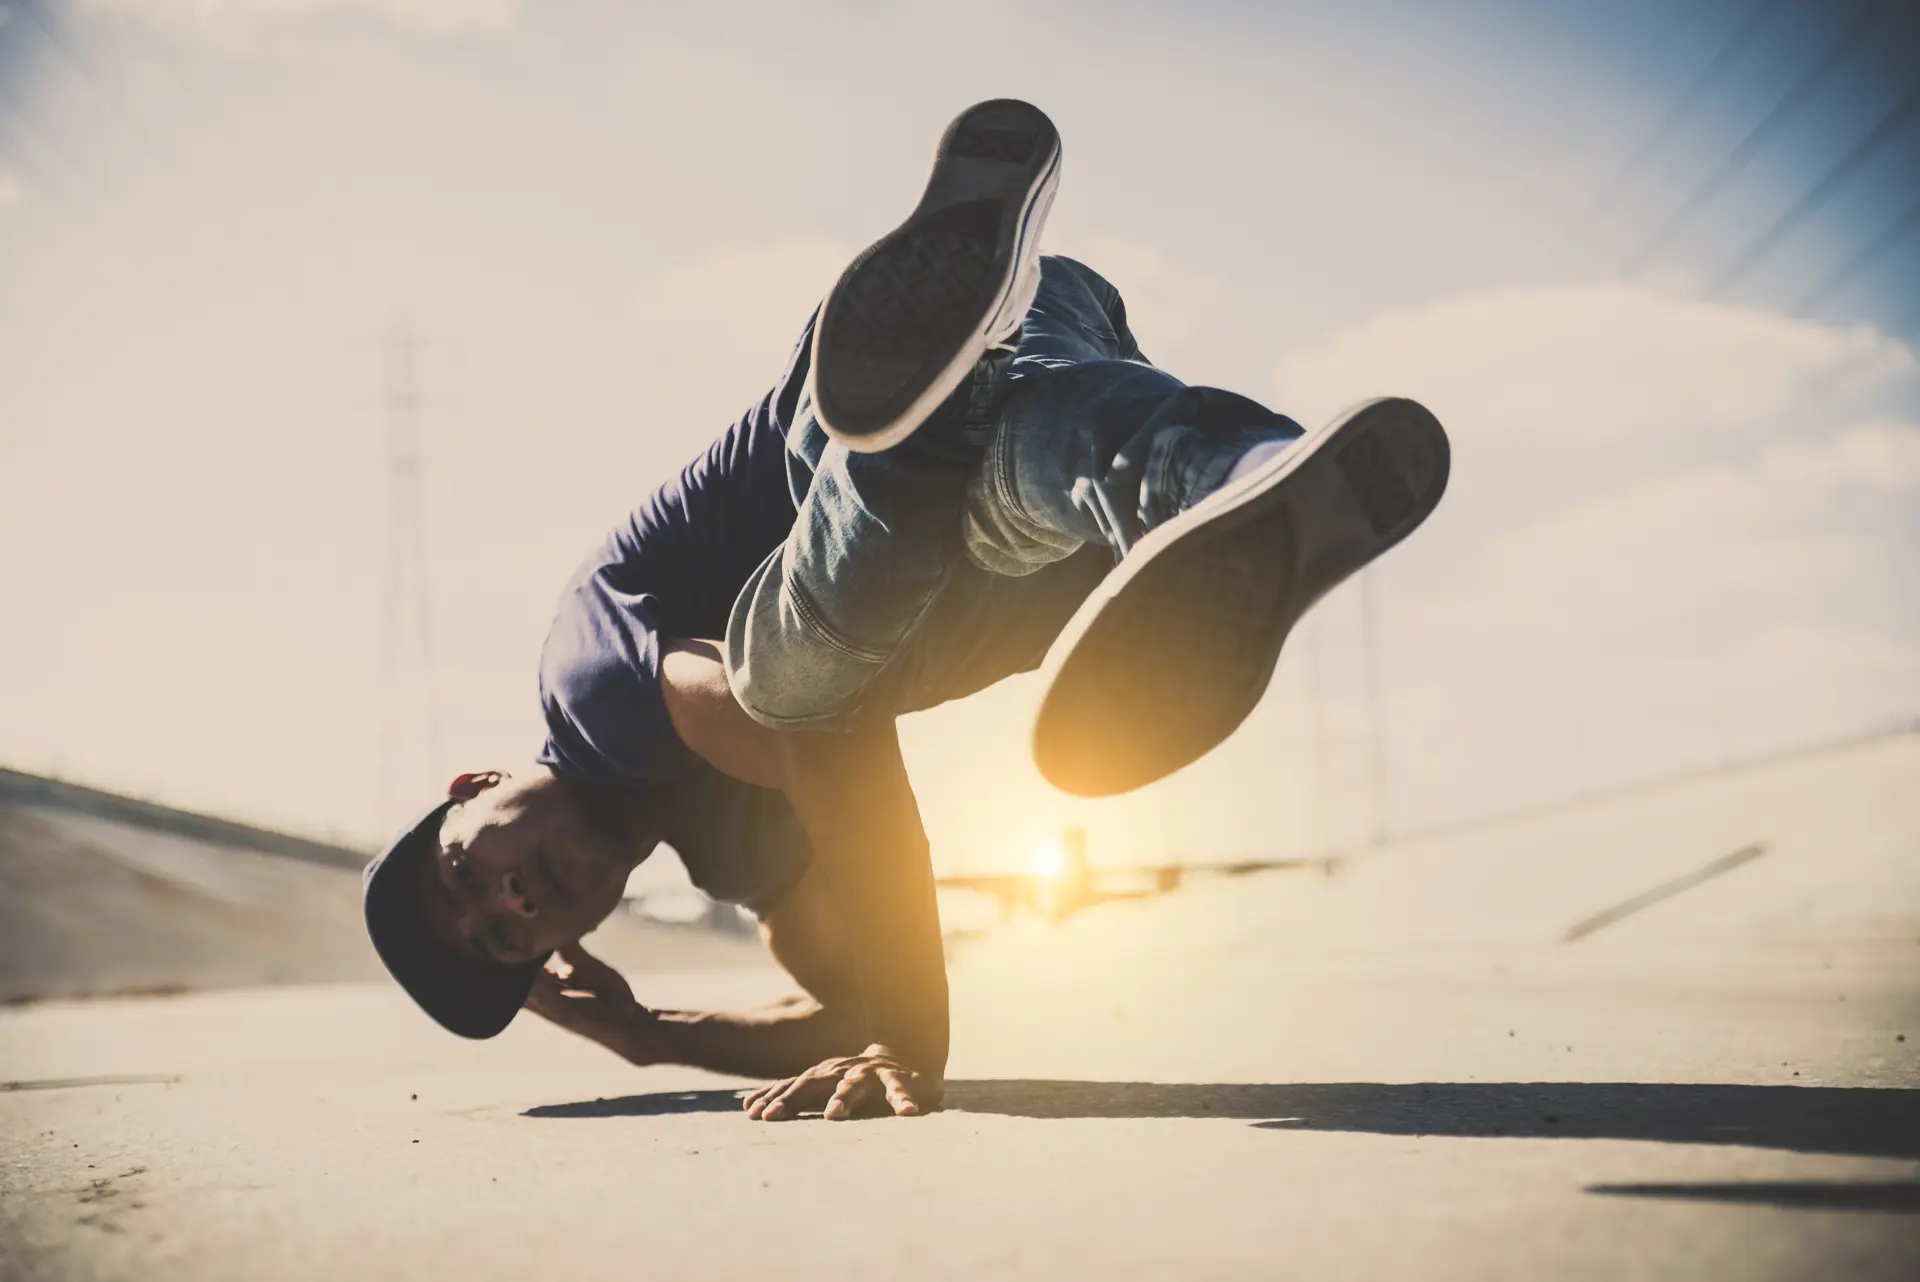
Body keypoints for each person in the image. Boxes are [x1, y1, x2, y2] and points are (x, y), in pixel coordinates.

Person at [362, 99, 1449, 1122]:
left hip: (841, 418)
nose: (511, 898)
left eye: (468, 870)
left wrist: (912, 1042)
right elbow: (846, 1010)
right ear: (569, 944)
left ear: (478, 785)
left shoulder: (593, 692)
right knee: (1021, 472)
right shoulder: (739, 862)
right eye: (507, 940)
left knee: (795, 678)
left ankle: (917, 407)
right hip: (1042, 458)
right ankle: (1252, 483)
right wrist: (653, 1032)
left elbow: (816, 751)